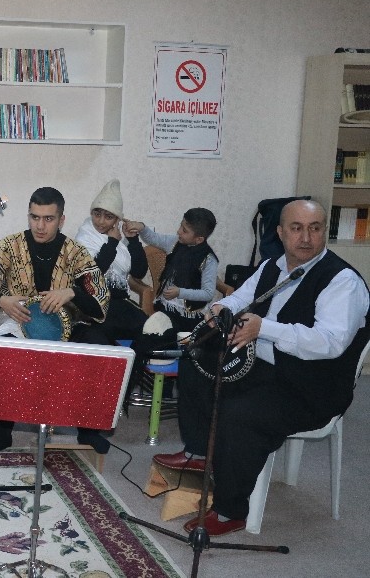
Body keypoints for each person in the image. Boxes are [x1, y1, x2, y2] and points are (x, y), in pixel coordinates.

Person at [153, 199, 370, 536]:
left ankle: (230, 510)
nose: (306, 237)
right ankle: (199, 453)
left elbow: (330, 343)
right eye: (296, 228)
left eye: (315, 228)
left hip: (312, 386)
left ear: (323, 231)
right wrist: (220, 308)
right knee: (196, 362)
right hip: (267, 368)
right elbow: (241, 298)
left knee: (240, 414)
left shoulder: (342, 281)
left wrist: (263, 328)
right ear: (281, 233)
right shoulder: (274, 264)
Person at [0, 187, 112, 458]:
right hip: (21, 323)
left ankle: (88, 431)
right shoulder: (10, 246)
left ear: (61, 220)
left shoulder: (76, 252)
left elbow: (100, 300)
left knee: (97, 346)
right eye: (34, 217)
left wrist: (73, 292)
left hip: (68, 326)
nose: (40, 226)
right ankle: (1, 436)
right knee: (0, 354)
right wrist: (1, 300)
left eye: (48, 219)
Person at [74, 179, 149, 342]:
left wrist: (133, 241)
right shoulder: (85, 237)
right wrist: (112, 243)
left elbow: (139, 272)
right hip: (93, 304)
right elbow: (93, 273)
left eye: (108, 217)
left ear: (117, 219)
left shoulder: (120, 239)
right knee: (101, 336)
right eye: (97, 214)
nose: (101, 221)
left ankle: (135, 367)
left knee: (151, 332)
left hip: (120, 303)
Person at [124, 207, 219, 334]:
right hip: (165, 308)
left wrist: (180, 292)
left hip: (190, 316)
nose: (179, 231)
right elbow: (153, 238)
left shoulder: (209, 260)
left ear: (199, 239)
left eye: (184, 231)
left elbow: (208, 293)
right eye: (181, 226)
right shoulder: (175, 242)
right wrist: (141, 227)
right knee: (151, 334)